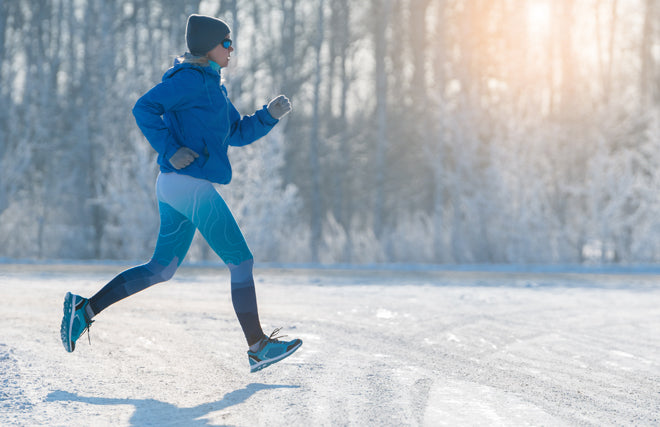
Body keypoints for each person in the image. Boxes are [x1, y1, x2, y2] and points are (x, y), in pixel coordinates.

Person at [60, 14, 302, 373]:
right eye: (226, 42)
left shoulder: (211, 85)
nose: (231, 49)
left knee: (161, 269)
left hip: (177, 185)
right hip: (188, 185)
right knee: (241, 261)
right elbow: (143, 108)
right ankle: (257, 346)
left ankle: (85, 310)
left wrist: (269, 115)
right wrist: (169, 147)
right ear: (209, 46)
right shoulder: (189, 80)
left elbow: (235, 132)